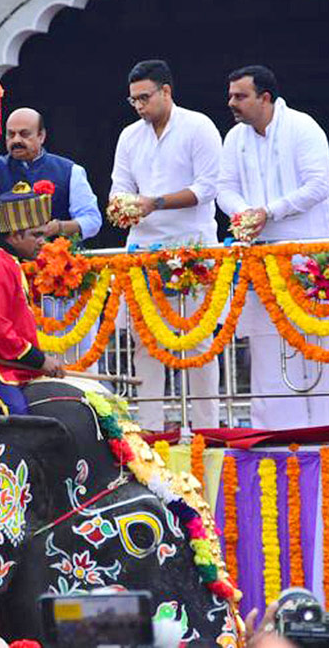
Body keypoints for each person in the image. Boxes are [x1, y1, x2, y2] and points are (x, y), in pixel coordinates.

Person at [217, 65, 329, 429]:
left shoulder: (303, 128)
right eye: (231, 96)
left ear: (265, 97)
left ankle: (326, 430)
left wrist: (269, 212)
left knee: (318, 344)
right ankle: (272, 430)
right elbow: (223, 188)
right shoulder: (235, 138)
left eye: (240, 96)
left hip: (309, 255)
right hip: (259, 254)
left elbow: (319, 185)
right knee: (266, 342)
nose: (232, 103)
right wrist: (245, 213)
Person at [110, 59, 222, 432]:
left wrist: (154, 203)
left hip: (193, 249)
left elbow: (208, 188)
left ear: (166, 91)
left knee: (199, 342)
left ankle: (207, 427)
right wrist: (120, 205)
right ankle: (151, 427)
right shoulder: (130, 136)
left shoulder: (198, 126)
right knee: (146, 343)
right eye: (133, 101)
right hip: (144, 249)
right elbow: (120, 185)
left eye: (145, 98)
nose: (140, 107)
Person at [0, 181, 65, 417]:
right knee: (14, 413)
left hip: (10, 364)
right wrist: (39, 360)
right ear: (15, 235)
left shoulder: (10, 264)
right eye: (37, 235)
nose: (43, 242)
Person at [0, 108, 102, 243]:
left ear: (41, 136)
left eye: (24, 134)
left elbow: (92, 220)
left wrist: (58, 227)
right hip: (7, 261)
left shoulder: (70, 170)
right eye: (11, 134)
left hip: (56, 257)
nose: (16, 140)